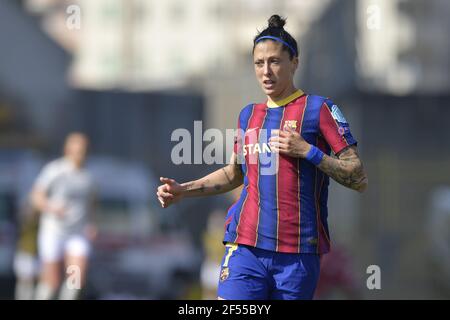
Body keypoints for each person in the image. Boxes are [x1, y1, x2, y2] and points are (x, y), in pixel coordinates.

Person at [157, 15, 368, 300]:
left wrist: (309, 151)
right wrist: (185, 190)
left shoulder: (320, 109)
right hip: (245, 247)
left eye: (275, 61)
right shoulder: (249, 115)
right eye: (259, 63)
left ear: (294, 62)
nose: (266, 71)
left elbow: (358, 177)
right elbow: (234, 173)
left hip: (298, 255)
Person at [31, 132, 97, 300]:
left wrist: (92, 223)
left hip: (77, 233)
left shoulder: (88, 177)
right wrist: (50, 207)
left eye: (83, 149)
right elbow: (36, 195)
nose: (80, 153)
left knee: (76, 279)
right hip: (53, 231)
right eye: (77, 149)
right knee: (52, 281)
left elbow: (92, 204)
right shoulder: (55, 170)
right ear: (68, 149)